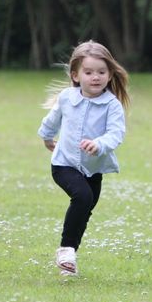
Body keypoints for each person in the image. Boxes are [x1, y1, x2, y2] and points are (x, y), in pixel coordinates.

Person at [38, 40, 129, 276]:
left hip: (93, 169)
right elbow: (52, 120)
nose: (95, 77)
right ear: (76, 75)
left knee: (85, 208)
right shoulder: (67, 98)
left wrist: (99, 144)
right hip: (64, 164)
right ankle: (66, 250)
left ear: (110, 75)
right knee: (82, 196)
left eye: (101, 72)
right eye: (88, 72)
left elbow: (116, 133)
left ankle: (68, 261)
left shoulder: (112, 105)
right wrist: (47, 137)